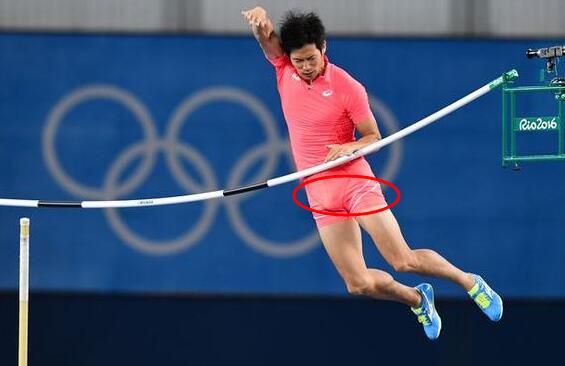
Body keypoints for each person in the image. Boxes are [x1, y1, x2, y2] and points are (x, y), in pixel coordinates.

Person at [241, 6, 502, 340]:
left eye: (311, 59)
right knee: (358, 283)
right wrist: (260, 20)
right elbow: (266, 39)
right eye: (299, 61)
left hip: (354, 182)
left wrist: (350, 147)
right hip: (319, 192)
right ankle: (417, 299)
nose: (305, 67)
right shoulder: (283, 68)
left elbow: (374, 138)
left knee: (403, 260)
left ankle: (470, 282)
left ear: (324, 49)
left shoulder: (348, 87)